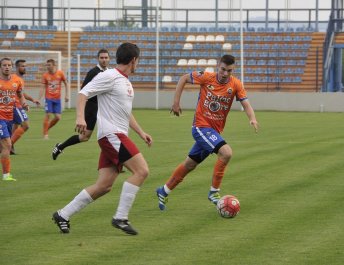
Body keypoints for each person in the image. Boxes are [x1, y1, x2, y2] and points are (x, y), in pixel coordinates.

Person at [52, 43, 152, 235]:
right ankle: (120, 217)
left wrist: (141, 132)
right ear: (133, 60)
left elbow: (126, 113)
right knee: (142, 171)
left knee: (104, 185)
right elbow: (83, 93)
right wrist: (80, 117)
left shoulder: (126, 82)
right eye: (138, 60)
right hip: (112, 135)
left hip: (114, 136)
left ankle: (63, 214)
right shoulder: (109, 76)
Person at [156, 54, 259, 211]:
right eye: (223, 69)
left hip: (214, 131)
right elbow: (183, 78)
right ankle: (214, 192)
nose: (225, 74)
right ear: (218, 66)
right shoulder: (207, 77)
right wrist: (176, 102)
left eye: (229, 71)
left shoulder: (236, 84)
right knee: (226, 153)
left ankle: (164, 190)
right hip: (201, 127)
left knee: (190, 164)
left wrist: (252, 118)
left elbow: (246, 103)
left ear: (233, 69)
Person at [52, 49, 110, 160]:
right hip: (92, 108)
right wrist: (82, 114)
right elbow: (83, 91)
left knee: (109, 134)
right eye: (101, 58)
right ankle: (60, 146)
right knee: (84, 137)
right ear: (98, 59)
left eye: (106, 57)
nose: (104, 60)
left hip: (104, 108)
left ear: (109, 59)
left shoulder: (108, 72)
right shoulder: (93, 72)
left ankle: (114, 163)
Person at [0, 58, 28, 181]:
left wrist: (24, 104)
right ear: (0, 67)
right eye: (4, 65)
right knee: (8, 144)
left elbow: (20, 96)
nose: (7, 67)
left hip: (9, 117)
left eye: (9, 65)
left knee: (3, 147)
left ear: (12, 67)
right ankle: (6, 175)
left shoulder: (17, 81)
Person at [10, 59, 41, 154]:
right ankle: (7, 145)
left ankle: (10, 148)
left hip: (18, 105)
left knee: (15, 128)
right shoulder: (14, 78)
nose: (25, 68)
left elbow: (21, 93)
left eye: (25, 66)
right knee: (26, 125)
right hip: (15, 105)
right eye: (23, 66)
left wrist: (32, 100)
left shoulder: (20, 79)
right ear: (17, 67)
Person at [38, 59, 69, 139]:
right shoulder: (45, 75)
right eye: (47, 65)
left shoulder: (60, 73)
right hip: (49, 98)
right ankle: (45, 134)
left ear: (54, 65)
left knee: (58, 117)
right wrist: (39, 98)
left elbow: (66, 84)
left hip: (57, 99)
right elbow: (42, 87)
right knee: (48, 114)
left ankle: (46, 129)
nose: (47, 67)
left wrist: (67, 95)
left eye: (49, 65)